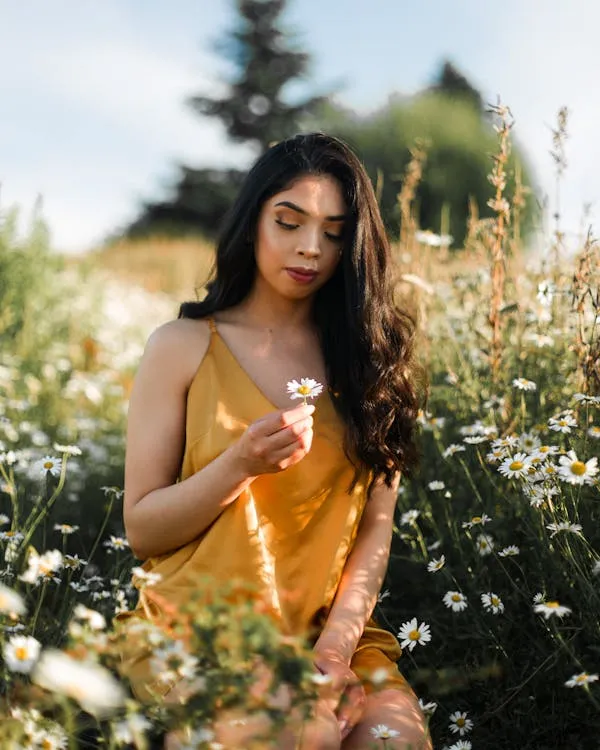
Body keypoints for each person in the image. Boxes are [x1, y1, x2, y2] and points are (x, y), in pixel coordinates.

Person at [115, 132, 431, 749]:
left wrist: (335, 653)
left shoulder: (371, 364)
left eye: (335, 232)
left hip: (331, 634)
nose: (310, 248)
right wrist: (239, 464)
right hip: (200, 629)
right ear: (253, 219)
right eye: (289, 222)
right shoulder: (182, 346)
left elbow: (375, 528)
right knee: (298, 735)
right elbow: (142, 530)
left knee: (393, 742)